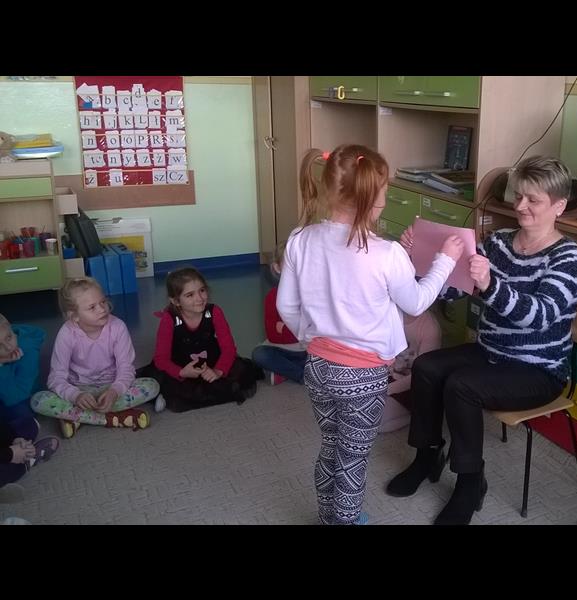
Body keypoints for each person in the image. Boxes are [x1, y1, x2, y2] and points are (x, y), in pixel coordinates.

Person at [386, 155, 577, 525]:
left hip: (538, 371)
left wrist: (491, 285)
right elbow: (453, 291)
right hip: (491, 352)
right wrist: (416, 260)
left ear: (559, 206)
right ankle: (427, 456)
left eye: (533, 200)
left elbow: (540, 316)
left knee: (462, 386)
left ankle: (470, 482)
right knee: (427, 367)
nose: (521, 206)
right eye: (519, 196)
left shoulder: (568, 256)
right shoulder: (499, 242)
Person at [277, 144, 464, 525]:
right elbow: (416, 302)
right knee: (352, 459)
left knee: (331, 446)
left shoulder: (301, 239)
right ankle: (345, 521)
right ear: (370, 197)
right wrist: (445, 260)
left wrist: (312, 340)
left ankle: (328, 518)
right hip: (362, 377)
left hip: (318, 368)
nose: (385, 200)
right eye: (384, 193)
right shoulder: (385, 253)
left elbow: (287, 306)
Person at [30, 278, 160, 438]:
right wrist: (75, 395)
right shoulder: (67, 333)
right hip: (80, 388)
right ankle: (113, 418)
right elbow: (56, 377)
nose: (102, 309)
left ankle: (77, 417)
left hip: (111, 386)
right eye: (92, 307)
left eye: (103, 302)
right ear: (74, 316)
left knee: (152, 386)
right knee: (38, 400)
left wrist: (114, 391)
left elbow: (126, 368)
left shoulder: (117, 327)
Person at [139, 266, 263, 413]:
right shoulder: (169, 319)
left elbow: (228, 348)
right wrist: (181, 372)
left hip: (210, 360)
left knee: (240, 371)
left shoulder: (214, 312)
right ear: (176, 301)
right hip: (180, 364)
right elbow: (161, 358)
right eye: (190, 295)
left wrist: (218, 371)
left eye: (202, 290)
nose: (199, 298)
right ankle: (165, 395)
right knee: (166, 382)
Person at [0, 313, 59, 500]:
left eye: (8, 337)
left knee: (28, 423)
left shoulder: (26, 347)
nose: (7, 347)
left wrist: (14, 440)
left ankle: (22, 453)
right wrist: (10, 454)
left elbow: (14, 397)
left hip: (17, 399)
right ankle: (26, 461)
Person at [252, 241, 307, 385]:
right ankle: (302, 376)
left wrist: (285, 327)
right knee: (259, 355)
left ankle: (284, 372)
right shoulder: (272, 297)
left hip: (309, 350)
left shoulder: (312, 293)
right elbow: (273, 335)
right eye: (289, 264)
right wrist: (301, 328)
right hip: (283, 349)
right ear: (277, 267)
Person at [380, 309, 441, 433]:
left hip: (413, 385)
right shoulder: (388, 312)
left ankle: (419, 415)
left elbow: (422, 375)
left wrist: (386, 390)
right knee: (357, 414)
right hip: (388, 375)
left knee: (373, 421)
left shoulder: (429, 327)